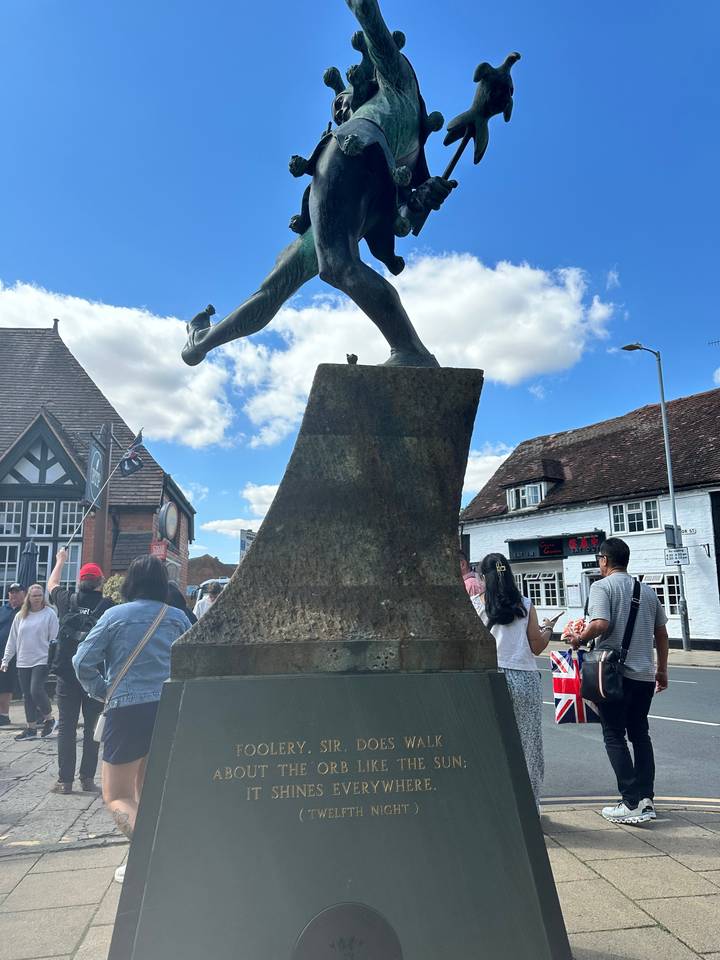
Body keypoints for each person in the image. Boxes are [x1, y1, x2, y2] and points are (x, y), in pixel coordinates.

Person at [181, 0, 459, 370]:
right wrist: (423, 198)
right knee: (276, 287)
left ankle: (411, 351)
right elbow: (400, 218)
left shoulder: (396, 83)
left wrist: (363, 9)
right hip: (363, 195)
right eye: (340, 110)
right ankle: (201, 343)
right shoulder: (409, 150)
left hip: (350, 157)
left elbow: (376, 33)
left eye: (345, 106)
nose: (343, 112)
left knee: (338, 266)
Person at [73, 556, 190, 882]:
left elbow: (82, 661)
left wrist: (105, 690)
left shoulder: (114, 616)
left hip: (128, 711)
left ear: (130, 583)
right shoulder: (178, 618)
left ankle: (157, 855)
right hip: (171, 708)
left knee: (118, 795)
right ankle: (143, 858)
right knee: (149, 791)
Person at [568, 537, 669, 825]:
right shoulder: (647, 591)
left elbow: (601, 624)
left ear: (604, 560)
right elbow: (661, 634)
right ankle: (646, 798)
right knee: (640, 734)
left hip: (614, 675)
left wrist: (578, 638)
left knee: (614, 735)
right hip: (644, 676)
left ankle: (630, 801)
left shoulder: (602, 587)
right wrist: (662, 670)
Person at [476, 553, 554, 807]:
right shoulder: (525, 604)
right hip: (524, 679)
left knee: (491, 742)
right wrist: (549, 629)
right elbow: (536, 647)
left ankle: (495, 801)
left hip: (491, 678)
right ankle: (529, 804)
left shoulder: (476, 604)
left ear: (483, 577)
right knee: (528, 744)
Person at [47, 550, 115, 795]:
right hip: (95, 675)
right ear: (100, 583)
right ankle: (87, 778)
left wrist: (60, 560)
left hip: (66, 671)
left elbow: (51, 584)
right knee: (91, 727)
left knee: (66, 726)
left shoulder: (67, 600)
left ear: (79, 582)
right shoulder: (108, 606)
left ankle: (64, 781)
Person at [1, 584, 58, 740]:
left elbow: (54, 639)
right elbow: (12, 640)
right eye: (34, 596)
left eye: (40, 595)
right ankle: (31, 728)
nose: (37, 598)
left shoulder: (49, 614)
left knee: (35, 690)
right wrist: (6, 660)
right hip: (23, 660)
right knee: (27, 695)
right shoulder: (21, 616)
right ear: (29, 598)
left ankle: (49, 718)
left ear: (43, 597)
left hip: (42, 659)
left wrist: (53, 660)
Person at [0, 584, 25, 725]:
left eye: (17, 592)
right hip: (2, 653)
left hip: (21, 653)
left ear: (23, 594)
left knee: (27, 686)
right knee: (3, 684)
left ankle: (38, 714)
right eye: (11, 592)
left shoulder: (27, 610)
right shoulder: (3, 610)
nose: (14, 595)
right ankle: (3, 715)